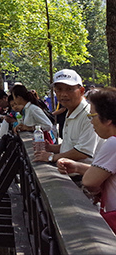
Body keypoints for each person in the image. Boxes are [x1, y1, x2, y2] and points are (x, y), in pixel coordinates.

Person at [57, 87, 116, 232]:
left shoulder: (112, 143)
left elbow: (90, 181)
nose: (91, 122)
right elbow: (106, 173)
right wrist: (77, 167)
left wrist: (94, 188)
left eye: (92, 116)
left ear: (107, 119)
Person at [35, 69, 102, 164]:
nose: (63, 94)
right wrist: (50, 148)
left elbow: (83, 152)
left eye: (69, 89)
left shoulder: (89, 115)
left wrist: (52, 157)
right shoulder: (70, 111)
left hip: (83, 176)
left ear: (81, 91)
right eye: (59, 89)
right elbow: (70, 145)